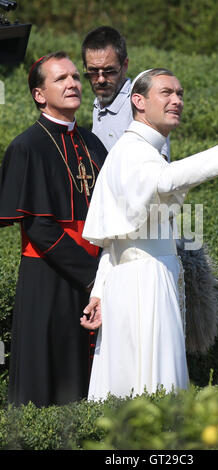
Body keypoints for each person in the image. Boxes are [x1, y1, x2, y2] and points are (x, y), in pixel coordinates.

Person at [80, 68, 218, 401]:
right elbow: (166, 180)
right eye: (166, 93)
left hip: (137, 279)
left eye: (180, 93)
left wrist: (98, 291)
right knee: (153, 390)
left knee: (134, 384)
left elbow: (114, 241)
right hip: (145, 283)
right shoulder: (135, 149)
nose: (177, 100)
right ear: (138, 101)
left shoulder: (138, 149)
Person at [0, 51, 107, 407]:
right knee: (47, 378)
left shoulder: (92, 144)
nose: (74, 84)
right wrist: (92, 275)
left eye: (76, 77)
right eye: (61, 79)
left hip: (94, 276)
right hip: (49, 276)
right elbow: (39, 229)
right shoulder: (26, 146)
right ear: (39, 94)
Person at [81, 26, 170, 160]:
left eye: (109, 70)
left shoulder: (142, 106)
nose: (100, 79)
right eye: (93, 71)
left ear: (125, 65)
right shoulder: (100, 103)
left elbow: (156, 169)